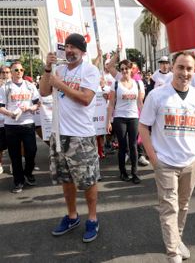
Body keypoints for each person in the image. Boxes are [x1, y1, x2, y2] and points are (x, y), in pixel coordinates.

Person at [139, 51, 195, 263]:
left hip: (190, 162)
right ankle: (173, 253)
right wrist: (154, 159)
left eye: (189, 69)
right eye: (181, 67)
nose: (184, 73)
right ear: (172, 68)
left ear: (193, 72)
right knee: (170, 208)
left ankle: (177, 240)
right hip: (165, 163)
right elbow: (143, 126)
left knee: (184, 205)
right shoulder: (157, 95)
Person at [39, 33, 101, 243]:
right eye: (67, 46)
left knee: (88, 181)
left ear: (83, 51)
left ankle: (92, 219)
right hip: (59, 134)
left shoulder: (90, 70)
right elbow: (44, 91)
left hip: (81, 136)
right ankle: (72, 216)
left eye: (74, 47)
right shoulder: (58, 70)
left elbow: (85, 98)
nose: (69, 50)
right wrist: (48, 69)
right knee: (66, 179)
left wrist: (60, 84)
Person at [0, 62, 39, 193]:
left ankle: (28, 172)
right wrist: (10, 114)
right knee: (14, 155)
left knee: (31, 151)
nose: (19, 72)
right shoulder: (5, 87)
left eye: (21, 69)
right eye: (16, 70)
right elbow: (1, 106)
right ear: (11, 72)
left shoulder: (30, 85)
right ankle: (18, 181)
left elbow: (37, 104)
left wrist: (29, 108)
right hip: (11, 125)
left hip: (27, 123)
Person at [106, 59, 145, 184]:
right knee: (122, 146)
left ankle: (135, 173)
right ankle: (123, 172)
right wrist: (108, 121)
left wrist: (145, 119)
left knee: (133, 145)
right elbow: (111, 104)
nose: (124, 71)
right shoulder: (115, 84)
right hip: (119, 118)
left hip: (133, 117)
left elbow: (140, 103)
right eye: (122, 69)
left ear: (131, 69)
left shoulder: (138, 84)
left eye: (126, 69)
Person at [0, 66, 11, 174]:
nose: (5, 74)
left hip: (13, 123)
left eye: (8, 72)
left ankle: (14, 164)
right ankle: (0, 164)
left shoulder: (15, 86)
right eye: (3, 72)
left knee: (14, 146)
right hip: (1, 123)